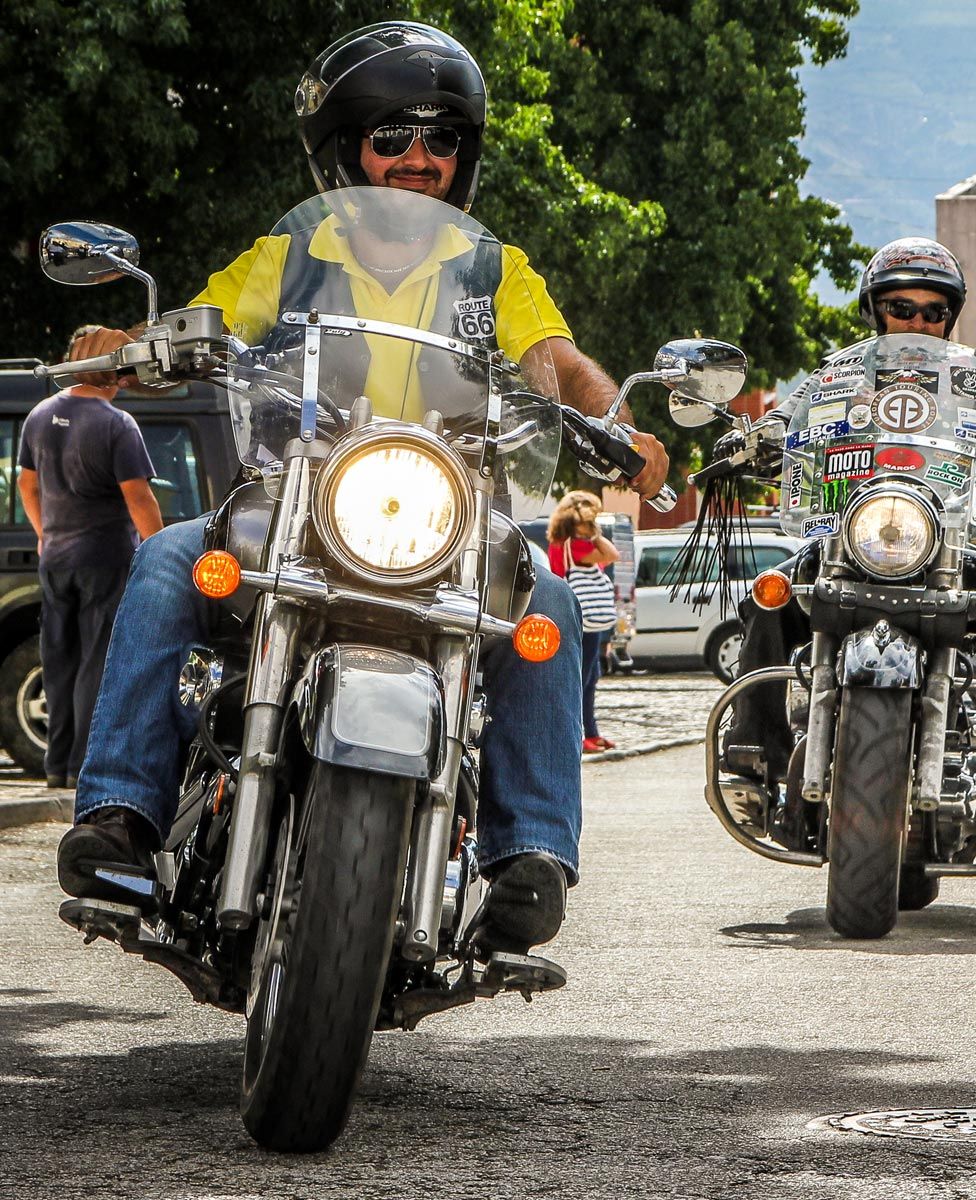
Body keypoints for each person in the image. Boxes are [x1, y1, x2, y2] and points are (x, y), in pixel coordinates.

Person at [54, 22, 669, 955]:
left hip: (447, 520)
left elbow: (556, 356)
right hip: (297, 503)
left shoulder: (493, 267)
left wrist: (614, 419)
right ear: (344, 150)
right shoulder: (289, 255)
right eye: (393, 137)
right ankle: (120, 816)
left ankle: (527, 854)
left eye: (442, 137)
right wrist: (129, 348)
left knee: (546, 595)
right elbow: (208, 317)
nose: (420, 158)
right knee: (171, 555)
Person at [723, 238, 976, 823]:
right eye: (902, 307)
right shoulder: (838, 375)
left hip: (955, 544)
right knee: (773, 592)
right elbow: (785, 416)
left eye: (934, 310)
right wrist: (759, 437)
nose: (917, 320)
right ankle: (752, 749)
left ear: (950, 316)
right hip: (851, 543)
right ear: (875, 310)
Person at [17, 327, 165, 789]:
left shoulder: (39, 415)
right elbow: (139, 499)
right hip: (105, 559)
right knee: (95, 663)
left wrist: (44, 533)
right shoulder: (116, 425)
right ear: (113, 374)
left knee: (58, 661)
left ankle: (56, 768)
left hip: (55, 558)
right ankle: (83, 768)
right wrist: (159, 554)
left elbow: (26, 483)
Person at [547, 491, 620, 754]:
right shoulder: (577, 548)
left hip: (589, 619)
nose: (592, 528)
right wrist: (596, 536)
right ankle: (580, 734)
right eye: (588, 523)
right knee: (584, 678)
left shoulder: (560, 544)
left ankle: (590, 732)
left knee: (589, 676)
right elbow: (612, 554)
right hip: (584, 620)